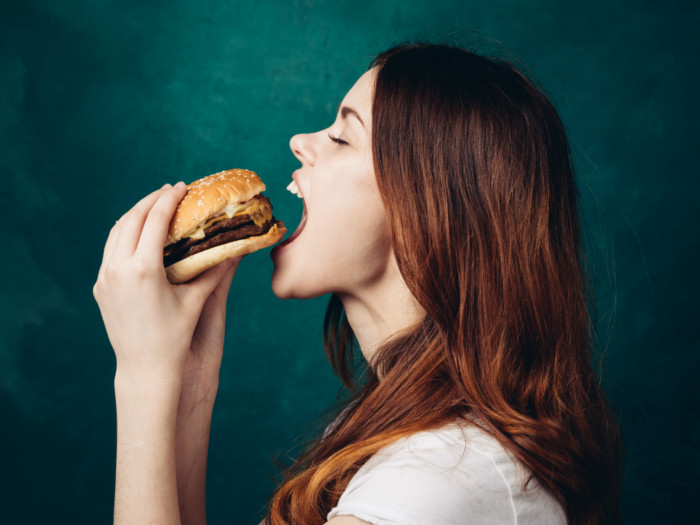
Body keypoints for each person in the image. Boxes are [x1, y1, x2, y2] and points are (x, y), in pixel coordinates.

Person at [94, 42, 623, 525]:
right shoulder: (402, 438)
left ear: (426, 206)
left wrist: (141, 379)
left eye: (342, 136)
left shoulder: (435, 482)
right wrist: (189, 382)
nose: (300, 141)